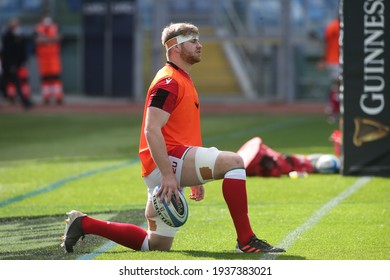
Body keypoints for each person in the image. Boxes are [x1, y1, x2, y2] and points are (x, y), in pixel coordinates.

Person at [61, 22, 285, 254]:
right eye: (193, 41)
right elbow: (151, 129)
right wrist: (168, 174)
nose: (200, 45)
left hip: (168, 163)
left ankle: (84, 223)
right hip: (167, 161)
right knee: (234, 162)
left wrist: (194, 176)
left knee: (155, 245)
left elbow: (181, 131)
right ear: (175, 47)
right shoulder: (168, 81)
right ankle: (246, 240)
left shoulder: (181, 78)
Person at [0, 18, 33, 109]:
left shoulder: (19, 36)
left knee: (9, 83)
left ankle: (25, 102)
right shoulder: (7, 36)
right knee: (14, 83)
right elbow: (8, 52)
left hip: (13, 64)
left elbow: (20, 51)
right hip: (8, 65)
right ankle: (25, 102)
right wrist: (11, 65)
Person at [34, 12, 64, 105]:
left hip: (53, 56)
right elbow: (37, 40)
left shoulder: (55, 27)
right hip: (43, 58)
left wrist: (46, 39)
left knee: (55, 76)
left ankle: (58, 96)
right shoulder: (38, 28)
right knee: (45, 78)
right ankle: (46, 97)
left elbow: (60, 37)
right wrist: (51, 39)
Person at [317, 17, 340, 123]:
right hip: (334, 60)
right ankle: (332, 110)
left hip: (339, 60)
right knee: (337, 85)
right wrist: (323, 59)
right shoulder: (333, 26)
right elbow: (325, 42)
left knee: (338, 86)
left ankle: (333, 109)